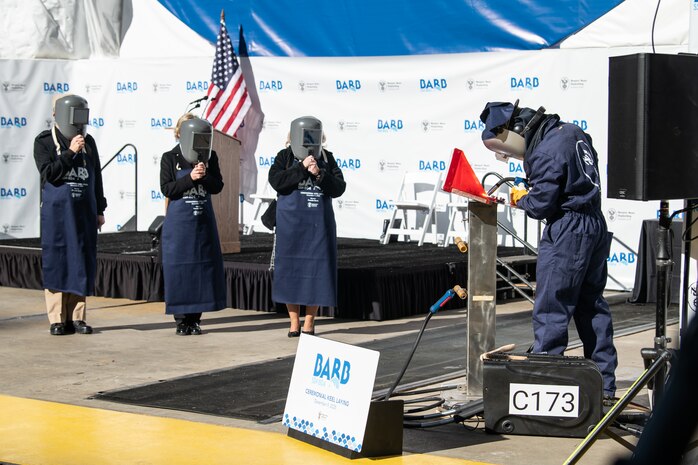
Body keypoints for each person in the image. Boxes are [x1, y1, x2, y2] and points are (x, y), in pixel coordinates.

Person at [479, 100, 618, 397]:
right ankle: (604, 387)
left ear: (514, 131)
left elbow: (542, 204)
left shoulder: (545, 150)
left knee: (552, 308)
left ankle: (545, 386)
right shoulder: (571, 132)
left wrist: (520, 198)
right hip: (594, 223)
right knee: (591, 306)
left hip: (568, 230)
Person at [33, 94, 107, 336]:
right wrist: (70, 153)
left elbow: (96, 177)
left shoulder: (90, 142)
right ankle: (57, 319)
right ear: (56, 114)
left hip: (83, 212)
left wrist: (100, 209)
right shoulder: (44, 142)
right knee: (58, 261)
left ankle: (77, 318)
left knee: (80, 261)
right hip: (57, 214)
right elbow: (49, 174)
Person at [268, 116, 346, 337]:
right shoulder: (284, 157)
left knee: (317, 272)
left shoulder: (327, 159)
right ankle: (293, 322)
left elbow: (339, 188)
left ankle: (310, 322)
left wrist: (319, 174)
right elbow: (277, 182)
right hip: (291, 224)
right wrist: (302, 169)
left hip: (318, 226)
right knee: (290, 272)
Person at [159, 114, 226, 335]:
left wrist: (204, 175)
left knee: (201, 271)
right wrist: (191, 179)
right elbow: (168, 189)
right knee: (180, 271)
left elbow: (217, 186)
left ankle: (195, 319)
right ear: (181, 134)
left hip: (202, 223)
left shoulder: (210, 156)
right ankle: (181, 320)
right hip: (179, 225)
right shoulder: (170, 157)